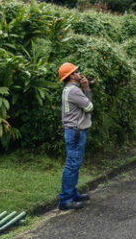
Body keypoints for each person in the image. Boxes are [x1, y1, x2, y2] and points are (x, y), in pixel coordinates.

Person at [57, 62, 94, 210]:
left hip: (72, 131)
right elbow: (89, 107)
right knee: (72, 164)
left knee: (74, 164)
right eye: (76, 71)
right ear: (71, 76)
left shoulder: (68, 89)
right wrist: (87, 89)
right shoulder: (74, 91)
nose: (79, 73)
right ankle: (65, 199)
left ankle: (72, 194)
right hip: (76, 132)